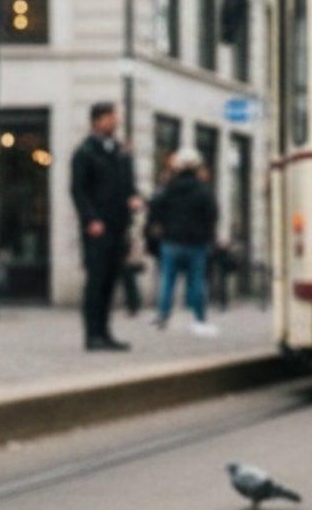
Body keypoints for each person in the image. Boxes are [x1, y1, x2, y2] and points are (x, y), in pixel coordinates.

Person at [71, 102, 136, 352]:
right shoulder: (85, 152)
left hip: (118, 225)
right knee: (96, 281)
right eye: (110, 117)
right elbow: (78, 190)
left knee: (110, 280)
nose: (115, 121)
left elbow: (127, 186)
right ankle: (92, 334)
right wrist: (90, 219)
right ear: (97, 121)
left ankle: (105, 332)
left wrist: (133, 198)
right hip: (97, 228)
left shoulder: (119, 151)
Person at [148, 149, 220, 335]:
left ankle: (163, 316)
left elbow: (157, 208)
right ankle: (199, 319)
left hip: (171, 240)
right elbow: (212, 215)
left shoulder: (169, 188)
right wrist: (207, 235)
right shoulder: (203, 189)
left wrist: (162, 228)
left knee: (168, 280)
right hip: (196, 242)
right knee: (197, 281)